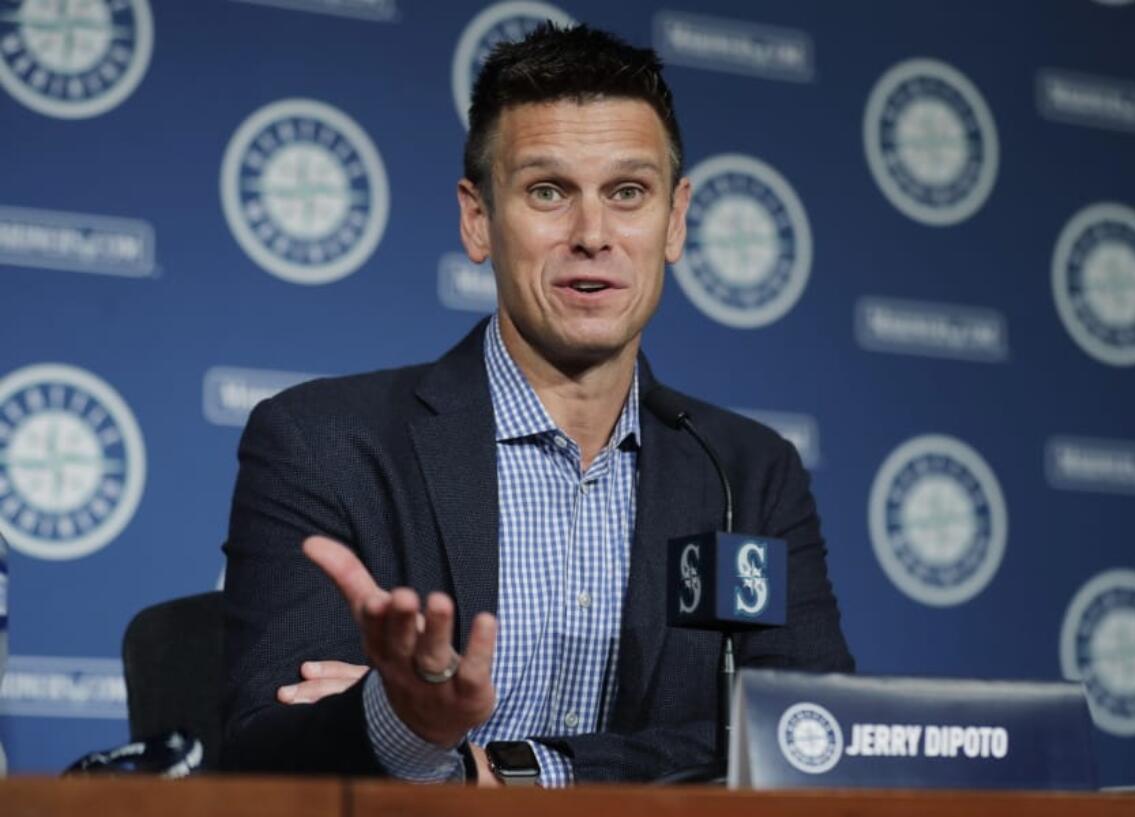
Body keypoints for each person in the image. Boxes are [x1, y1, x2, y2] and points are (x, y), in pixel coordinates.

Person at [221, 23, 853, 786]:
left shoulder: (749, 475)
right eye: (548, 191)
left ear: (676, 220)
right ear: (478, 219)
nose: (593, 234)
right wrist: (405, 721)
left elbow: (810, 745)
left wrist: (501, 767)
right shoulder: (325, 443)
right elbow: (263, 752)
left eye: (628, 192)